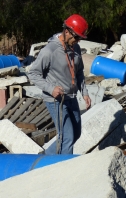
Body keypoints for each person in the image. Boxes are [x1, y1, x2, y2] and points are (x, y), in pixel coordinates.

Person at [28, 14, 91, 155]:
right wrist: (51, 88)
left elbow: (79, 72)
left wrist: (85, 93)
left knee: (76, 134)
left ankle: (46, 157)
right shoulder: (49, 51)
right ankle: (64, 171)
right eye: (77, 37)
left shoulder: (76, 48)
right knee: (67, 137)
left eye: (80, 38)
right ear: (67, 31)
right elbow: (33, 74)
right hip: (56, 100)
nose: (78, 41)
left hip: (71, 97)